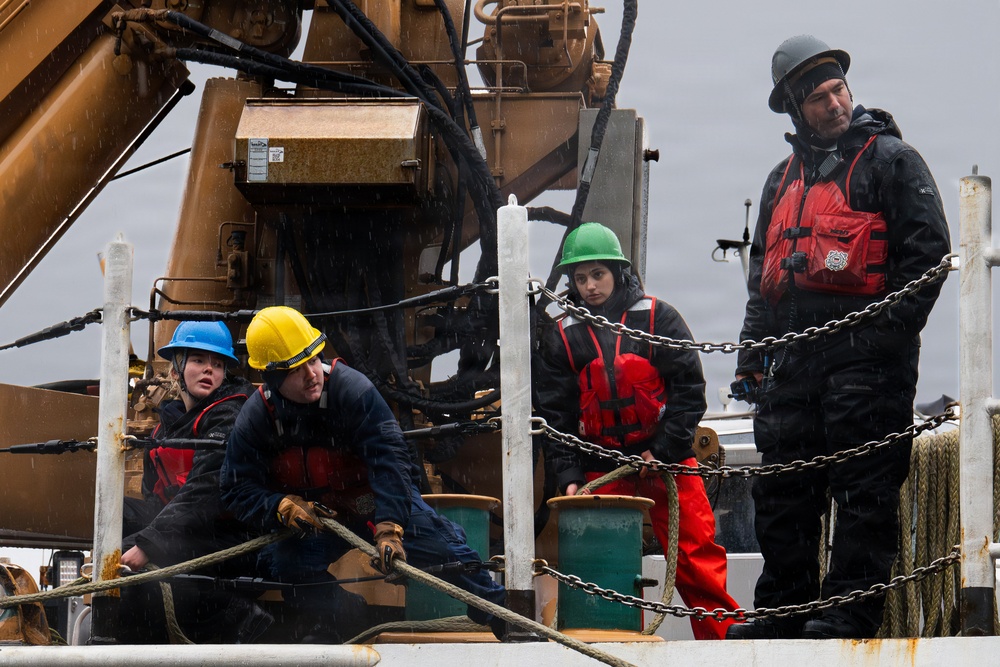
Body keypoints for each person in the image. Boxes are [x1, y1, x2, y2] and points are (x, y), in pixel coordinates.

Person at [726, 36, 951, 640]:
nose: (834, 104)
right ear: (796, 110)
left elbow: (927, 258)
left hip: (868, 369)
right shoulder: (780, 181)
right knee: (782, 497)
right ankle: (783, 615)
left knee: (864, 495)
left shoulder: (893, 162)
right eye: (819, 98)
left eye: (838, 90)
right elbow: (762, 280)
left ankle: (850, 616)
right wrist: (752, 360)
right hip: (792, 368)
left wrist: (877, 344)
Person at [220, 306, 507, 642]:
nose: (311, 373)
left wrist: (390, 527)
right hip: (319, 520)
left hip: (376, 505)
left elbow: (391, 459)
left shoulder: (352, 390)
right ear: (271, 377)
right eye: (296, 369)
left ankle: (502, 616)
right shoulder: (257, 416)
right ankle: (347, 618)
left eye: (313, 359)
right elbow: (234, 487)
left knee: (447, 553)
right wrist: (280, 506)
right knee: (285, 567)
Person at [533, 222, 739, 640]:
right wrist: (569, 476)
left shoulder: (658, 317)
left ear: (617, 272)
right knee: (602, 575)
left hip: (667, 463)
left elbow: (689, 391)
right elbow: (555, 416)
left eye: (598, 274)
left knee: (696, 563)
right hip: (602, 470)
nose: (589, 286)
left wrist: (661, 450)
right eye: (580, 277)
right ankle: (612, 648)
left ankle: (724, 647)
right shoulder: (561, 338)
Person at [120, 320, 271, 644]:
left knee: (134, 554)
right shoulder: (167, 429)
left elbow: (207, 488)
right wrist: (140, 532)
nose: (209, 370)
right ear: (176, 370)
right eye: (199, 361)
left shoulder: (231, 414)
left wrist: (148, 543)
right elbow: (154, 499)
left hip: (233, 536)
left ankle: (238, 616)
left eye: (218, 364)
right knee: (116, 520)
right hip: (192, 528)